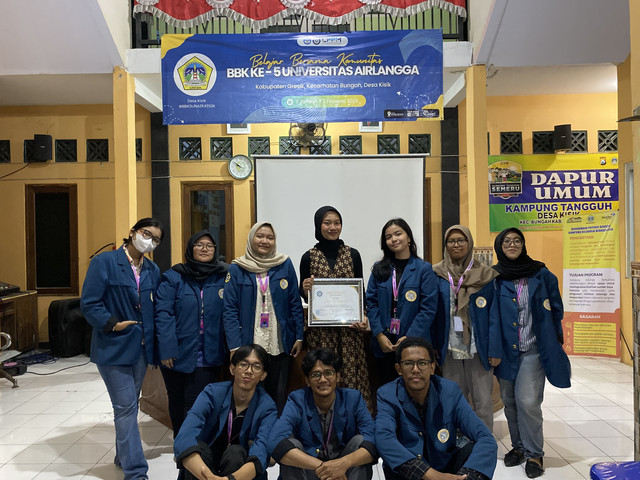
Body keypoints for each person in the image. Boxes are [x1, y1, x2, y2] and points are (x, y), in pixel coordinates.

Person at [80, 217, 164, 480]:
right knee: (125, 406)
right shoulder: (104, 262)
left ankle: (122, 455)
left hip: (141, 350)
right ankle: (136, 471)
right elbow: (90, 303)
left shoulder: (152, 270)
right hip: (113, 347)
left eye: (156, 239)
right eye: (146, 233)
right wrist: (113, 324)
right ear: (133, 232)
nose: (149, 240)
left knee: (128, 405)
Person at [493, 227, 571, 478]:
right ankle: (518, 447)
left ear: (523, 245)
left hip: (533, 349)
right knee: (510, 402)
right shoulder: (493, 277)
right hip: (505, 351)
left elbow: (556, 308)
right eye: (507, 241)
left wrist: (555, 340)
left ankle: (534, 452)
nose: (512, 245)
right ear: (499, 246)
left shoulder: (541, 273)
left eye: (517, 241)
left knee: (528, 402)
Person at [375, 337, 497, 480]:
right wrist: (430, 475)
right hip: (408, 473)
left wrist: (465, 476)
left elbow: (485, 437)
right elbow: (384, 439)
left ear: (432, 367)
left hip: (445, 466)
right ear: (399, 369)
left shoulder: (449, 391)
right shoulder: (387, 394)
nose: (415, 370)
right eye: (408, 363)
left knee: (473, 450)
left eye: (422, 363)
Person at [155, 230, 228, 442]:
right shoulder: (174, 276)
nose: (204, 248)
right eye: (199, 244)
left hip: (208, 352)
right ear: (190, 248)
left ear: (215, 250)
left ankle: (192, 444)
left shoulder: (224, 276)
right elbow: (163, 312)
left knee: (196, 402)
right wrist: (166, 348)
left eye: (209, 245)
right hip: (176, 351)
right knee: (176, 400)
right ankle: (182, 442)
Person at [223, 222, 304, 412]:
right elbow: (229, 310)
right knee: (249, 394)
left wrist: (299, 335)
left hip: (279, 343)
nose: (264, 241)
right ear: (251, 238)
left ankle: (275, 436)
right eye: (260, 236)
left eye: (270, 237)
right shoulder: (237, 268)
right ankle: (250, 436)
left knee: (278, 394)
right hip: (248, 343)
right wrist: (234, 345)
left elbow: (295, 302)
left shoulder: (284, 264)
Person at [299, 206, 372, 410]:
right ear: (318, 225)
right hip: (320, 332)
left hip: (349, 331)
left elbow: (361, 290)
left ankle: (354, 419)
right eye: (327, 222)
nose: (333, 227)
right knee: (323, 375)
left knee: (350, 376)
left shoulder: (353, 254)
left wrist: (363, 316)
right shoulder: (308, 257)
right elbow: (302, 291)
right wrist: (305, 288)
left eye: (337, 223)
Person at [431, 225, 500, 431]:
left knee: (482, 398)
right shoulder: (436, 273)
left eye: (461, 240)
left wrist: (495, 349)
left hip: (478, 346)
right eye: (451, 241)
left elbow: (495, 315)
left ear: (469, 243)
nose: (456, 245)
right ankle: (457, 438)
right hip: (450, 345)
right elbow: (432, 313)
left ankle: (483, 439)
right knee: (453, 395)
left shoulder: (486, 275)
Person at [269, 348, 377, 480]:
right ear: (307, 380)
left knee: (360, 442)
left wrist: (343, 464)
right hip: (310, 470)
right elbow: (275, 440)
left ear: (338, 376)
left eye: (328, 373)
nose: (323, 379)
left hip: (344, 472)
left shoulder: (353, 399)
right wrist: (324, 467)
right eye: (316, 374)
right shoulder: (297, 400)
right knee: (291, 445)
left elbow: (373, 440)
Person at [174, 344, 277, 480]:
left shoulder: (267, 407)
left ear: (263, 375)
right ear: (232, 368)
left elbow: (261, 453)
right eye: (243, 364)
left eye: (256, 367)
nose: (249, 371)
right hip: (206, 467)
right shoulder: (212, 393)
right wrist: (209, 477)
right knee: (200, 448)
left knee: (235, 452)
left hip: (240, 471)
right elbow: (184, 436)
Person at [366, 218, 438, 386]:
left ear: (409, 238)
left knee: (414, 391)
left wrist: (409, 337)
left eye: (398, 234)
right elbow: (371, 302)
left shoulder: (423, 269)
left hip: (414, 343)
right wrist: (379, 335)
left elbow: (428, 308)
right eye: (389, 237)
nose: (394, 239)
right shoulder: (379, 268)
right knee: (386, 390)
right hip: (385, 344)